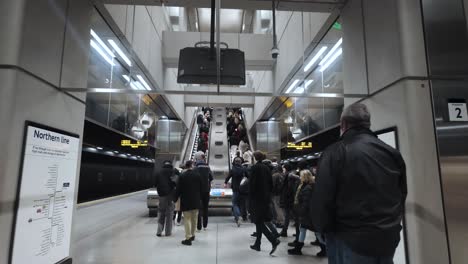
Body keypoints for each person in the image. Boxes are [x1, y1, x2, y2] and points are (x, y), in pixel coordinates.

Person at [312, 103, 407, 264]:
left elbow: (322, 197)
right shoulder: (391, 152)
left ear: (343, 124)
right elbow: (401, 192)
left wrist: (321, 228)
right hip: (387, 238)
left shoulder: (335, 152)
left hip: (349, 238)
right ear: (368, 124)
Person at [249, 151, 281, 255]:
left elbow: (252, 185)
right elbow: (271, 184)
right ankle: (257, 244)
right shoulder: (267, 168)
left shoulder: (254, 168)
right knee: (260, 221)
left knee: (258, 221)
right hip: (265, 198)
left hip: (256, 199)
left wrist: (250, 196)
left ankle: (273, 240)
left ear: (255, 158)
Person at [288, 169, 316, 255]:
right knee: (303, 229)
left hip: (307, 213)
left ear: (304, 177)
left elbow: (306, 202)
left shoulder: (307, 187)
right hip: (307, 213)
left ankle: (325, 248)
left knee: (317, 232)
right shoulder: (306, 185)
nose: (300, 177)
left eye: (301, 176)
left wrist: (301, 213)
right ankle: (298, 249)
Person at [174, 160, 203, 246]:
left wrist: (175, 198)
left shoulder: (182, 176)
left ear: (186, 167)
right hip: (196, 200)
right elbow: (201, 188)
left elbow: (178, 189)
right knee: (194, 218)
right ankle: (193, 235)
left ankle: (188, 238)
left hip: (186, 200)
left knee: (187, 219)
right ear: (192, 166)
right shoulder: (198, 175)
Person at [154, 160, 177, 237]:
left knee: (161, 213)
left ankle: (159, 231)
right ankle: (168, 232)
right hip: (171, 196)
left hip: (162, 196)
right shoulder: (174, 171)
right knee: (170, 214)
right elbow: (177, 182)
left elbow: (155, 183)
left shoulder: (159, 172)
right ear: (170, 164)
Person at [224, 157, 248, 226]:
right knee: (241, 204)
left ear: (235, 162)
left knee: (234, 203)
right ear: (240, 162)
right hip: (243, 189)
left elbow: (228, 177)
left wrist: (225, 183)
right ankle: (243, 216)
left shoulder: (233, 170)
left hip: (235, 189)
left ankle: (238, 217)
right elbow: (249, 177)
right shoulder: (244, 169)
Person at [193, 151, 213, 231]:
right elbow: (211, 178)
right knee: (205, 207)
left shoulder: (196, 168)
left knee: (198, 208)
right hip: (206, 190)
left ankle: (198, 226)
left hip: (197, 191)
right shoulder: (208, 167)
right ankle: (205, 225)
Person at [280, 164, 300, 238]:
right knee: (291, 216)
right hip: (290, 198)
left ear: (286, 168)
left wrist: (287, 195)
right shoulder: (290, 175)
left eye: (283, 168)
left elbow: (289, 189)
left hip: (289, 199)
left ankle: (287, 231)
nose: (283, 169)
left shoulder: (289, 175)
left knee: (291, 216)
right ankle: (286, 231)